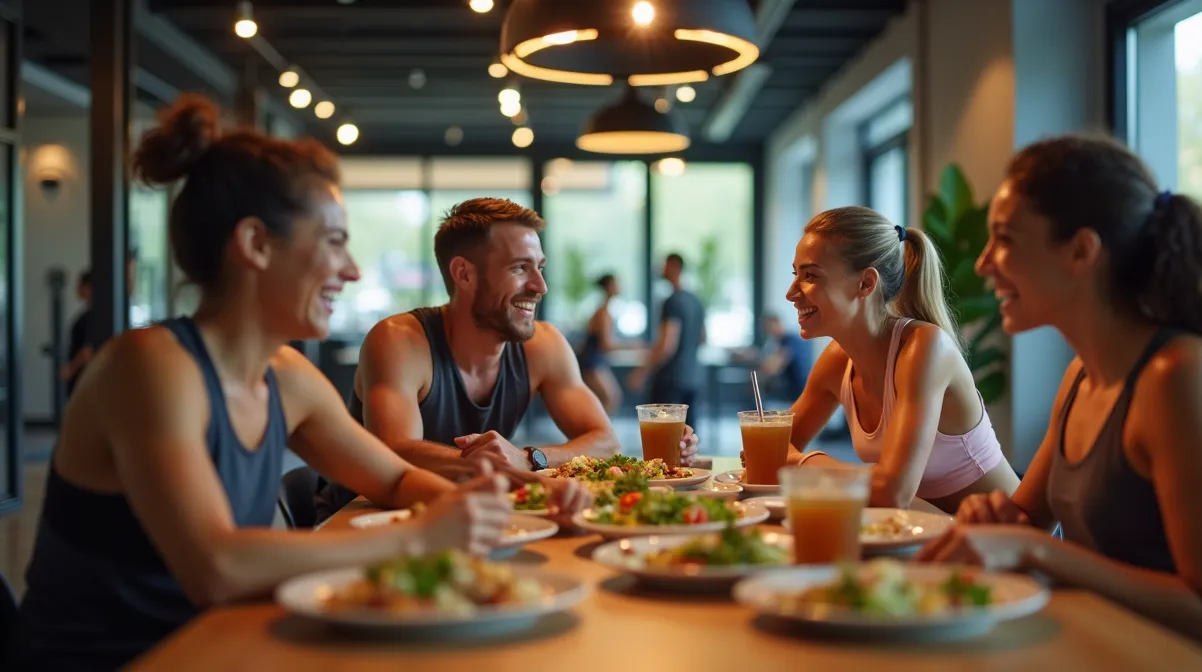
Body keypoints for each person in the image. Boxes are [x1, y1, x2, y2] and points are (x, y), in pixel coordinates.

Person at [4, 96, 571, 671]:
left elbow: (397, 477)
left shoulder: (287, 376)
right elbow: (216, 567)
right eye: (333, 241)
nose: (351, 270)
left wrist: (533, 501)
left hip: (220, 650)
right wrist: (422, 536)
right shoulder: (149, 367)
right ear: (255, 244)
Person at [917, 136, 1202, 670]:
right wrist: (997, 518)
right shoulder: (1082, 375)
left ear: (1081, 251)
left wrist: (1034, 550)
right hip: (1119, 648)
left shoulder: (1183, 379)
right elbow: (1026, 520)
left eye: (1004, 239)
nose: (984, 263)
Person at [315, 199, 699, 522]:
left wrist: (529, 457)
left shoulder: (543, 345)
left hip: (474, 517)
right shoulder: (400, 340)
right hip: (364, 521)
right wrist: (510, 470)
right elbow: (394, 452)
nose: (540, 286)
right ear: (463, 274)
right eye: (520, 268)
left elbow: (604, 439)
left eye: (540, 267)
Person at [769, 206, 1020, 512]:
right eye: (796, 274)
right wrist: (691, 447)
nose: (791, 293)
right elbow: (770, 450)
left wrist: (802, 462)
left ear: (866, 284)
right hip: (930, 540)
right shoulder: (837, 362)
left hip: (1009, 543)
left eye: (810, 276)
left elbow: (893, 491)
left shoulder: (924, 348)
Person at [629, 253, 706, 429]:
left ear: (674, 267)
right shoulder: (696, 301)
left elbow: (667, 345)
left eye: (664, 265)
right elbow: (702, 338)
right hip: (693, 377)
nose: (661, 269)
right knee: (688, 437)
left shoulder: (672, 302)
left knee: (662, 435)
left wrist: (643, 372)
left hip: (671, 379)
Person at [61, 255, 138, 395]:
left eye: (80, 286)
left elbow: (87, 350)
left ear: (89, 288)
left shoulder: (93, 317)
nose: (77, 290)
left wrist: (69, 369)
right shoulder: (91, 316)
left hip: (85, 383)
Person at [577, 273, 625, 414]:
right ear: (609, 287)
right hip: (592, 362)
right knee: (611, 398)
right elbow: (607, 344)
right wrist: (634, 345)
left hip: (595, 361)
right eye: (617, 283)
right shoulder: (603, 312)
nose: (620, 287)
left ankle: (599, 432)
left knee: (606, 399)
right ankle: (599, 432)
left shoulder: (604, 310)